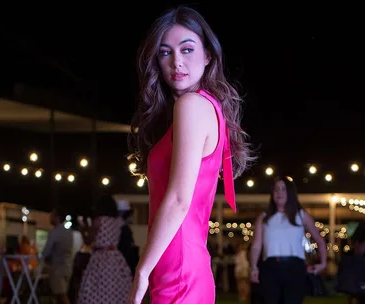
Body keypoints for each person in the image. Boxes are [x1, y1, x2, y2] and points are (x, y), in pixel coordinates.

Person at [127, 5, 254, 303]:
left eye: (187, 49)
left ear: (208, 54)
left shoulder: (192, 106)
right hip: (180, 262)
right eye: (165, 52)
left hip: (178, 267)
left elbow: (179, 199)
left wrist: (142, 271)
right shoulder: (204, 107)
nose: (176, 62)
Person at [250, 176, 327, 304]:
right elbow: (256, 245)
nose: (279, 193)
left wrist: (323, 263)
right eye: (276, 189)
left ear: (290, 193)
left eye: (283, 189)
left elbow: (319, 239)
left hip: (295, 268)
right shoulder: (264, 217)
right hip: (270, 268)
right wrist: (253, 267)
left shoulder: (301, 215)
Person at [77, 195, 132, 304]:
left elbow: (88, 241)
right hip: (116, 257)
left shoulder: (99, 220)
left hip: (100, 257)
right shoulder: (118, 221)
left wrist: (82, 230)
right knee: (115, 289)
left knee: (95, 289)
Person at [42, 208, 74, 304]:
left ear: (58, 218)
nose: (50, 218)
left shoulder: (55, 233)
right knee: (62, 294)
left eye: (52, 216)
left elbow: (46, 252)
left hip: (58, 268)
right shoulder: (69, 232)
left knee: (61, 295)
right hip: (68, 267)